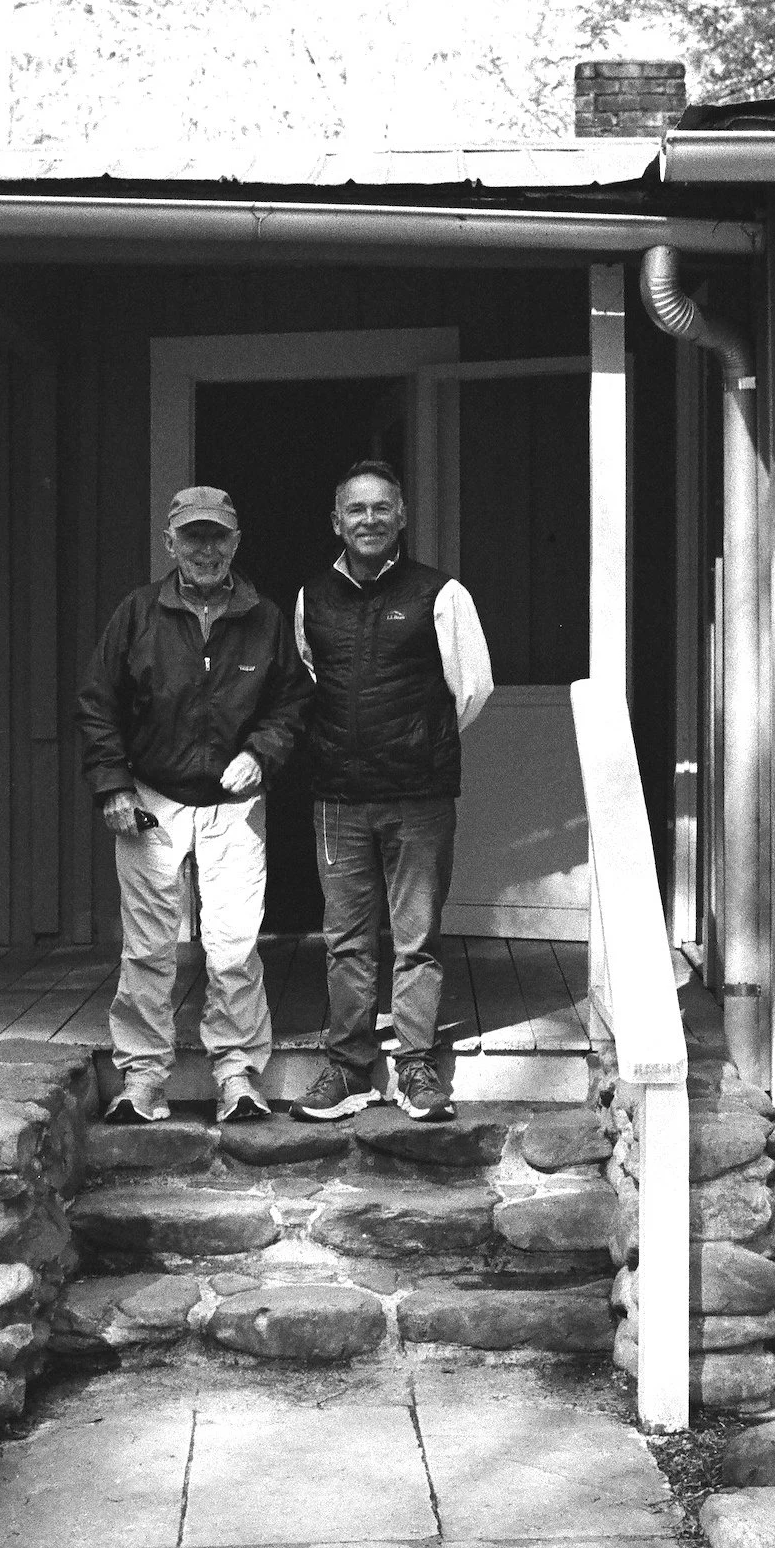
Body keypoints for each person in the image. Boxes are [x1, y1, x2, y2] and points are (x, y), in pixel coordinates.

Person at [75, 484, 310, 1125]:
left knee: (233, 943)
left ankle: (237, 1074)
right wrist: (113, 785)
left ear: (236, 541)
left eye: (218, 537)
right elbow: (99, 703)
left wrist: (261, 752)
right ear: (171, 542)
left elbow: (291, 702)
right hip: (151, 798)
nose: (206, 550)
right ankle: (144, 1078)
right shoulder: (138, 613)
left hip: (235, 804)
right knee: (149, 947)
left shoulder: (264, 615)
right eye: (193, 536)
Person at [293, 457, 492, 1123]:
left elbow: (473, 688)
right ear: (337, 521)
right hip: (338, 799)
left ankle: (413, 1066)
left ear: (402, 516)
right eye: (357, 509)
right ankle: (348, 1069)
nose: (370, 520)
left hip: (417, 796)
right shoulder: (311, 597)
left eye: (383, 508)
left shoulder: (441, 593)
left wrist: (416, 743)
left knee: (417, 939)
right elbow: (307, 682)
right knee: (346, 941)